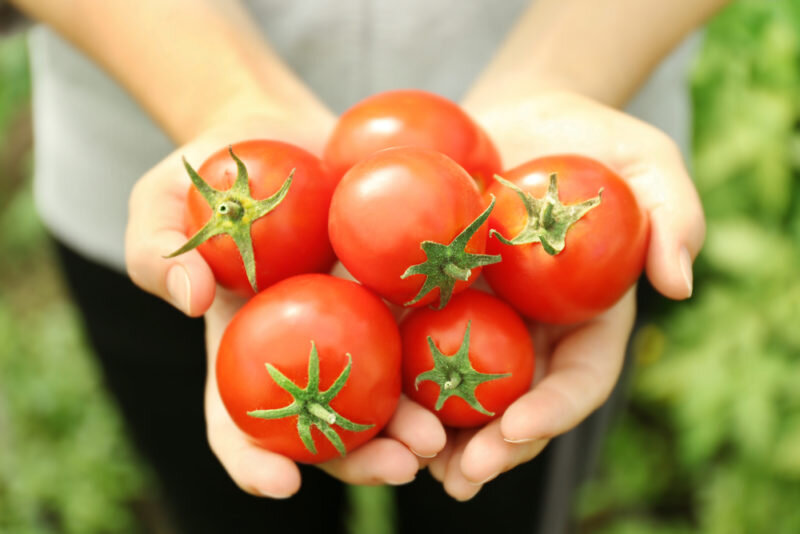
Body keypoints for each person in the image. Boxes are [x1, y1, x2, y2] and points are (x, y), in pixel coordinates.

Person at [9, 0, 722, 532]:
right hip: (159, 164)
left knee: (496, 503)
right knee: (228, 510)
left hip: (566, 137)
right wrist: (223, 99)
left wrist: (570, 74)